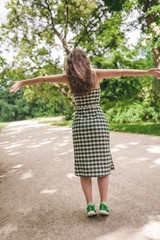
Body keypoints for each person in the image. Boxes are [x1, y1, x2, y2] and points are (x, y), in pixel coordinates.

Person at [9, 49, 160, 217]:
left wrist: (23, 82)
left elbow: (44, 79)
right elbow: (122, 71)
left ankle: (89, 206)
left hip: (81, 126)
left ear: (69, 64)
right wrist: (147, 72)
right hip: (98, 123)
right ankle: (103, 204)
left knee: (84, 167)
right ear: (85, 61)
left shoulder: (68, 78)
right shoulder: (96, 74)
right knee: (103, 165)